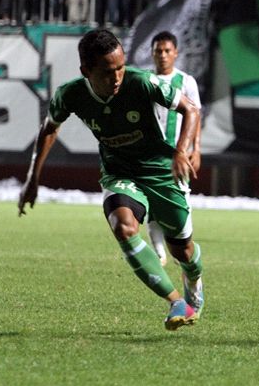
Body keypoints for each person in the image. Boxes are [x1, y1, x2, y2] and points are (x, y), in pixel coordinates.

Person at [18, 29, 204, 331]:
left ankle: (193, 279)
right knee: (123, 225)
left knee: (182, 251)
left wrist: (181, 150)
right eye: (107, 72)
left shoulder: (141, 82)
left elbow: (191, 109)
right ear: (86, 71)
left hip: (160, 171)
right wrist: (32, 178)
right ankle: (175, 302)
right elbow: (50, 127)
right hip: (119, 172)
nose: (117, 76)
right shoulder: (71, 94)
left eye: (120, 67)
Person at [148, 31, 203, 266]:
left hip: (176, 154)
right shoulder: (145, 79)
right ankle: (160, 254)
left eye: (167, 50)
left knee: (180, 200)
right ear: (152, 53)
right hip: (150, 153)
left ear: (176, 53)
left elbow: (196, 115)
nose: (162, 55)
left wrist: (196, 148)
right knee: (152, 201)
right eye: (158, 51)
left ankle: (183, 247)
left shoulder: (186, 81)